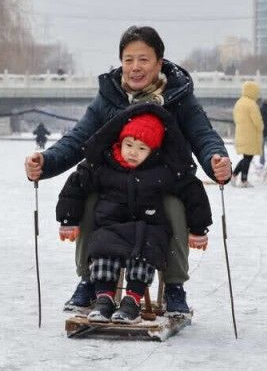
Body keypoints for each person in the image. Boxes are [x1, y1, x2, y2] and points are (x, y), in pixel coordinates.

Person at [25, 25, 231, 316]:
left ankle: (174, 286)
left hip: (160, 184)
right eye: (129, 59)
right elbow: (77, 139)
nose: (135, 67)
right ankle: (88, 280)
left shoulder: (178, 96)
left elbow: (203, 136)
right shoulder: (109, 97)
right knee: (90, 201)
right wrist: (46, 162)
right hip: (114, 183)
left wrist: (216, 160)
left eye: (144, 59)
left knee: (175, 206)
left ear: (159, 62)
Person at [56, 105, 212, 323]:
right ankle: (103, 299)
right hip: (111, 226)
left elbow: (192, 191)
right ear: (120, 143)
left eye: (141, 149)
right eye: (128, 145)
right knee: (103, 249)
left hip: (147, 229)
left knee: (145, 253)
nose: (132, 152)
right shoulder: (106, 166)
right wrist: (68, 218)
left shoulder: (161, 171)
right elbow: (76, 185)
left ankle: (132, 301)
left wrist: (198, 228)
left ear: (152, 152)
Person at [232, 81, 263, 188]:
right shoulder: (251, 104)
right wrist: (261, 127)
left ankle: (235, 175)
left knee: (246, 157)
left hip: (241, 133)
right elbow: (257, 121)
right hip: (250, 135)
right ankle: (243, 180)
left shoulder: (239, 102)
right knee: (247, 158)